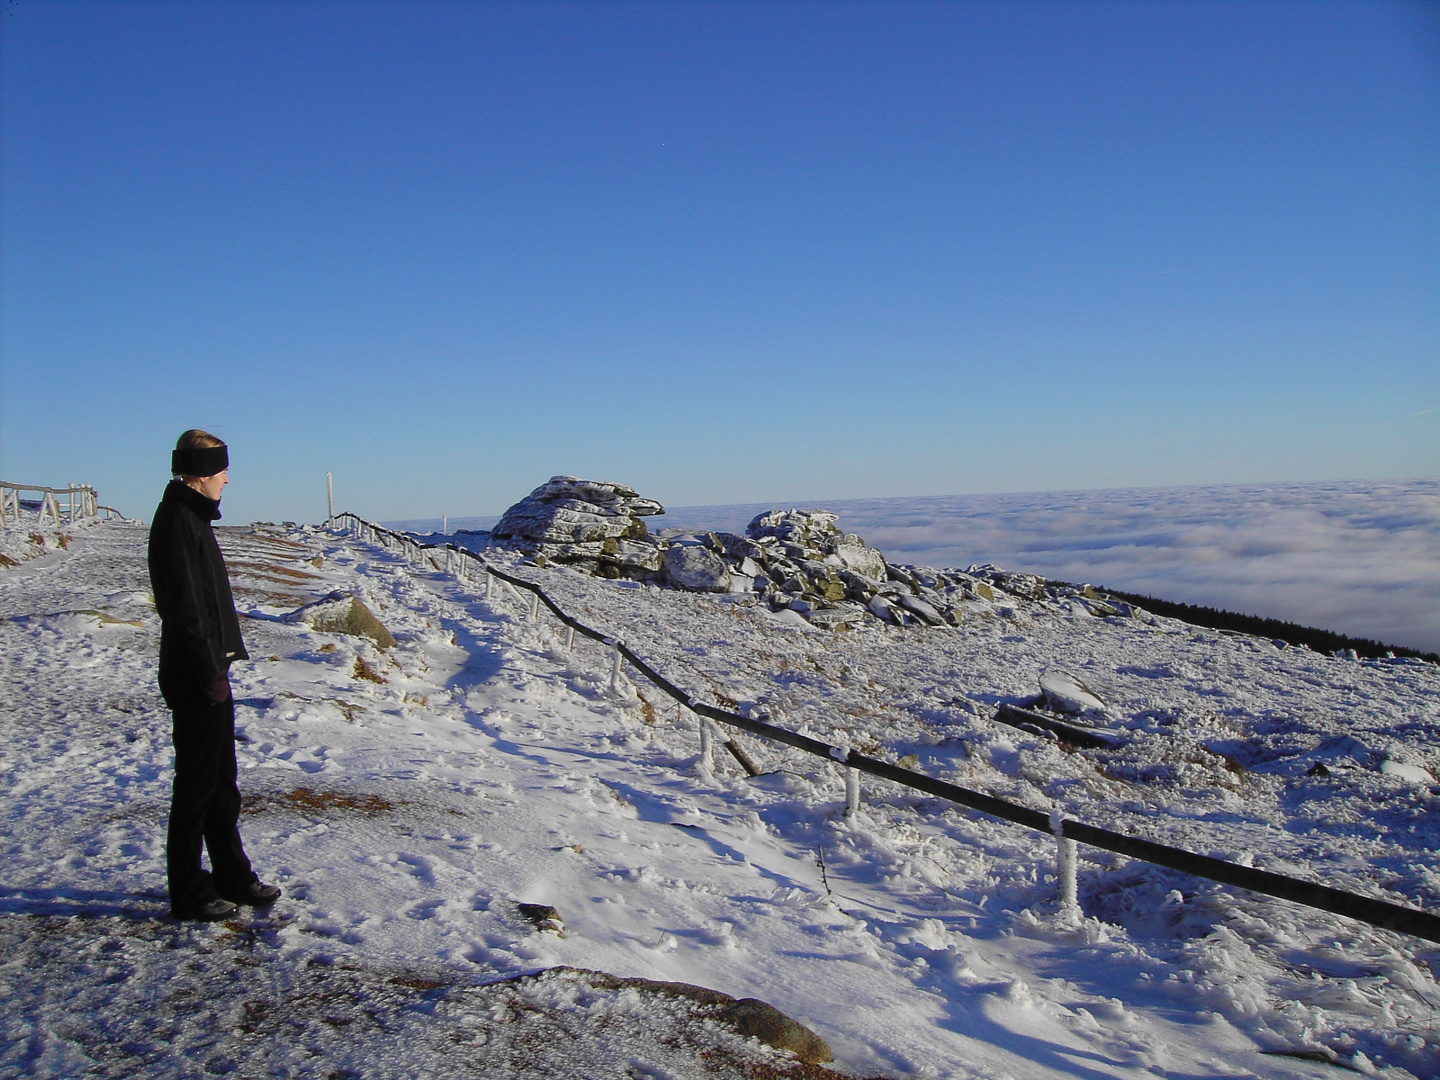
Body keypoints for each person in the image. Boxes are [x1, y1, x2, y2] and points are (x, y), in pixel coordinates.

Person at [148, 429, 280, 921]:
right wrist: (209, 672)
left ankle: (232, 876)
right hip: (195, 673)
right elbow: (183, 610)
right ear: (200, 474)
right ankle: (187, 890)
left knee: (222, 783)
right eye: (221, 469)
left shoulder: (191, 517)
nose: (227, 478)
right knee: (197, 787)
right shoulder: (178, 521)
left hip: (207, 668)